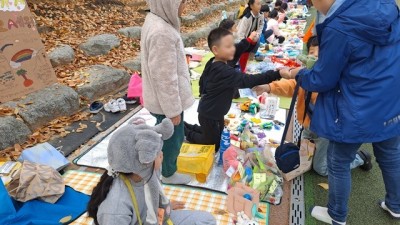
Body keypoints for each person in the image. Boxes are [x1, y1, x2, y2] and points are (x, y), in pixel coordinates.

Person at [285, 0, 400, 224]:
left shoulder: (339, 26)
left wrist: (297, 74)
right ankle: (396, 205)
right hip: (390, 100)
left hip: (357, 106)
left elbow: (322, 79)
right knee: (390, 156)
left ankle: (336, 214)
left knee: (337, 161)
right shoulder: (386, 6)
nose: (313, 6)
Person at [253, 36, 372, 177]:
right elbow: (292, 86)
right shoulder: (306, 74)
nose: (314, 58)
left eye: (319, 55)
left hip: (326, 131)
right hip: (309, 124)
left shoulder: (332, 80)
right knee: (303, 151)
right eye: (311, 53)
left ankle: (360, 158)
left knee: (320, 168)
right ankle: (315, 144)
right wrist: (268, 87)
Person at [87, 118, 217, 225]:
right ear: (143, 162)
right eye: (157, 152)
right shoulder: (114, 210)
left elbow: (153, 197)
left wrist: (165, 206)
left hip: (153, 218)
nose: (162, 154)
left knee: (207, 220)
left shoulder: (146, 172)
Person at [184, 28, 291, 151]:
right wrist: (276, 74)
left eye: (233, 45)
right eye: (228, 46)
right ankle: (185, 132)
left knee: (214, 133)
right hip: (210, 113)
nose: (233, 49)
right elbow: (249, 80)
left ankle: (187, 126)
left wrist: (248, 41)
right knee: (213, 143)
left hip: (213, 111)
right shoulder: (224, 71)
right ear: (215, 50)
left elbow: (203, 80)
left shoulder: (215, 62)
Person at [141, 0, 195, 185]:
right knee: (173, 137)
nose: (185, 5)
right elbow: (164, 77)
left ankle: (159, 163)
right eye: (181, 1)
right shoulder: (161, 32)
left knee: (165, 134)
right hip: (167, 103)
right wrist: (172, 111)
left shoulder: (156, 20)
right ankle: (169, 173)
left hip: (162, 100)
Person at [236, 0, 264, 72]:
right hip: (243, 40)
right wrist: (245, 42)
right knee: (244, 53)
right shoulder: (246, 18)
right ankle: (241, 68)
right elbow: (240, 34)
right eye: (257, 4)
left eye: (260, 4)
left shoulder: (261, 15)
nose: (260, 6)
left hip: (252, 38)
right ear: (251, 6)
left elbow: (261, 25)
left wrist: (257, 34)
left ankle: (248, 61)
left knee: (257, 41)